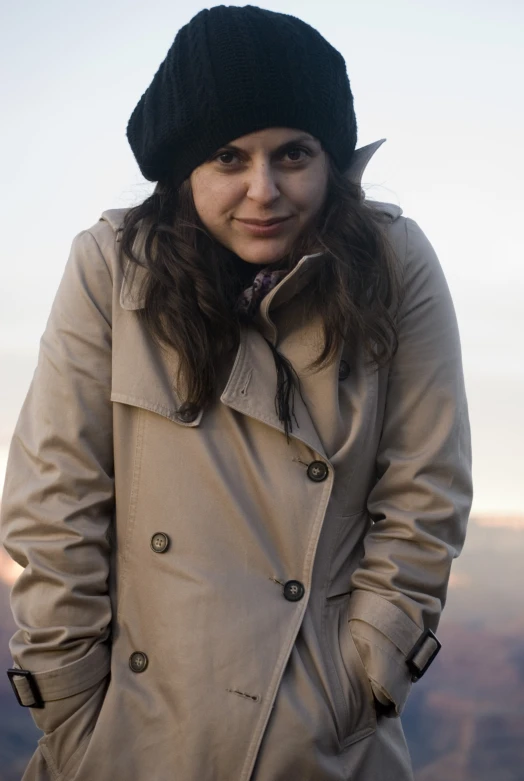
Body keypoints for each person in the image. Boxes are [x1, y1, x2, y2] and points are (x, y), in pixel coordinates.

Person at [0, 5, 473, 781]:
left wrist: (362, 678)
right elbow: (55, 502)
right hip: (129, 730)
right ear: (184, 169)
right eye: (228, 157)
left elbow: (427, 489)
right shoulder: (111, 269)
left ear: (331, 158)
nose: (264, 191)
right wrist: (70, 709)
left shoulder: (393, 263)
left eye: (293, 154)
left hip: (319, 735)